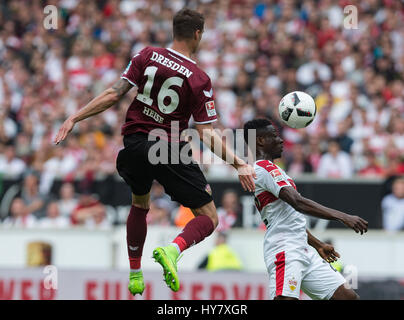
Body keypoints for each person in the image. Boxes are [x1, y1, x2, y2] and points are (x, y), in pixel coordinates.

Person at [54, 8, 256, 296]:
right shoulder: (199, 78)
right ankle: (173, 250)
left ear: (174, 30)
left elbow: (114, 92)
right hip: (167, 148)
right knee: (209, 217)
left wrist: (75, 117)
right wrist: (239, 164)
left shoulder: (146, 54)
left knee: (140, 203)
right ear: (198, 34)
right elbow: (205, 132)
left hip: (134, 144)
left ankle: (135, 274)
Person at [243, 118, 368, 300]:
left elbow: (289, 215)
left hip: (303, 248)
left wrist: (318, 244)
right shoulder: (263, 169)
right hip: (285, 248)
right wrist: (343, 217)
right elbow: (297, 202)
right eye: (274, 136)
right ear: (261, 140)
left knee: (348, 298)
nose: (280, 140)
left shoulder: (272, 170)